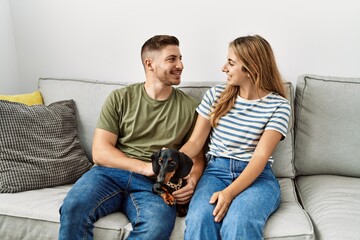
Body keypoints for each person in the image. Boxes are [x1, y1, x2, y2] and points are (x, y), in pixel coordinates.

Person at [58, 35, 205, 240]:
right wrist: (144, 167)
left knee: (156, 226)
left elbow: (197, 155)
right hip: (108, 174)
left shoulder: (191, 107)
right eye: (172, 59)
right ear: (150, 64)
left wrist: (193, 179)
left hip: (155, 185)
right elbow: (100, 152)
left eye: (180, 58)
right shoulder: (121, 98)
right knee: (73, 208)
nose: (180, 65)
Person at [179, 35, 291, 240]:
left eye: (231, 63)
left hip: (257, 178)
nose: (224, 68)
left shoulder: (279, 106)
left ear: (251, 69)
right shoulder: (215, 95)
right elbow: (195, 143)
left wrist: (229, 193)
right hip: (215, 173)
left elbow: (259, 158)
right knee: (200, 220)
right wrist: (171, 162)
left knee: (240, 221)